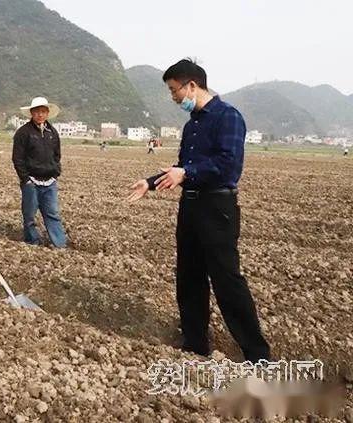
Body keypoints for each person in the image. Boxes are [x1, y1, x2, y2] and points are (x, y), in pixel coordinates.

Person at [127, 59, 270, 363]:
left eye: (174, 90)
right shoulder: (192, 124)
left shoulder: (227, 117)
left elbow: (228, 165)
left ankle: (258, 355)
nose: (173, 97)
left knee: (227, 281)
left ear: (192, 85)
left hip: (217, 208)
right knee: (189, 277)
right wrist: (150, 183)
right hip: (190, 206)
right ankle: (195, 345)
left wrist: (186, 173)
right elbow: (180, 169)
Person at [12, 97, 67, 248]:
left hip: (50, 181)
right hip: (31, 181)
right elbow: (17, 158)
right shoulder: (23, 133)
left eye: (43, 111)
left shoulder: (52, 132)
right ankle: (32, 242)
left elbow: (57, 155)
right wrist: (25, 179)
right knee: (29, 215)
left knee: (53, 213)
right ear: (31, 113)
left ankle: (59, 244)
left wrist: (56, 172)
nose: (40, 115)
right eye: (37, 112)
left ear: (47, 113)